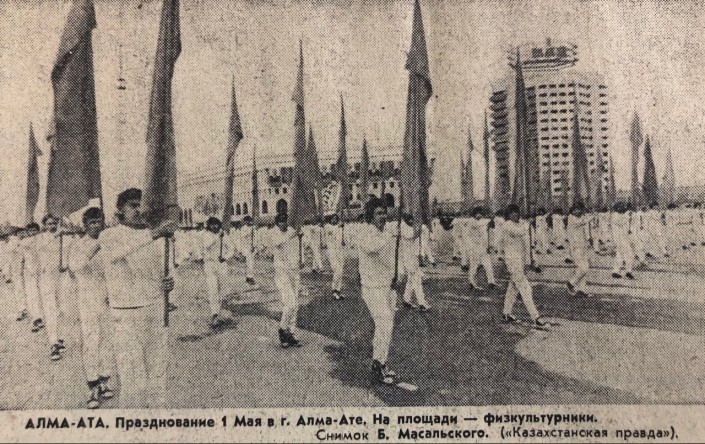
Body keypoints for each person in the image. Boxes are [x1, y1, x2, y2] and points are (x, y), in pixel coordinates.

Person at [100, 188, 176, 408]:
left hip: (154, 309)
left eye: (142, 205)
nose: (139, 210)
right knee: (132, 380)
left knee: (158, 378)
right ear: (120, 210)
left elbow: (166, 271)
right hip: (126, 314)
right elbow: (119, 253)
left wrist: (169, 283)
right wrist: (155, 233)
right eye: (133, 205)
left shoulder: (156, 237)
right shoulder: (109, 236)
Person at [68, 207, 115, 409]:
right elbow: (75, 266)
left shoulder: (109, 243)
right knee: (91, 340)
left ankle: (105, 380)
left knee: (106, 340)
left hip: (106, 298)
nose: (96, 226)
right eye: (92, 223)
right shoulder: (78, 245)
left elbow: (114, 270)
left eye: (99, 222)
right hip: (87, 299)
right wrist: (96, 247)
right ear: (85, 225)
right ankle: (92, 385)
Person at [358, 198, 399, 384]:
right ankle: (379, 363)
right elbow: (372, 247)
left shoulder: (386, 232)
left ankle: (380, 362)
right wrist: (390, 236)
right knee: (384, 323)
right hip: (371, 287)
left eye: (384, 213)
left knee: (386, 327)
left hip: (386, 285)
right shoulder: (365, 232)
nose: (383, 216)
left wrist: (396, 275)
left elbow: (390, 259)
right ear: (370, 216)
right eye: (378, 213)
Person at [500, 204, 546, 328]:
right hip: (512, 261)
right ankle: (536, 317)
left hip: (519, 261)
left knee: (513, 288)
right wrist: (527, 223)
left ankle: (506, 313)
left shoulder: (521, 224)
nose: (515, 214)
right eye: (512, 212)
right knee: (525, 288)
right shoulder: (507, 225)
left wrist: (529, 261)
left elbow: (526, 243)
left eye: (516, 212)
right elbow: (518, 232)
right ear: (508, 215)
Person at [268, 212, 303, 348]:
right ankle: (282, 329)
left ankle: (291, 333)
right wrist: (293, 234)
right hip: (282, 273)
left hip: (293, 270)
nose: (283, 224)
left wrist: (301, 259)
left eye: (285, 221)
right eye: (281, 221)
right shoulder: (273, 232)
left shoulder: (291, 231)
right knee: (289, 303)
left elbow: (297, 246)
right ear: (277, 223)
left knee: (295, 304)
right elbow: (278, 242)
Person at [35, 214, 65, 361]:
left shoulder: (63, 237)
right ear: (44, 225)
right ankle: (53, 343)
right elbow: (41, 248)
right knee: (50, 309)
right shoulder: (40, 238)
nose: (52, 226)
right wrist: (55, 235)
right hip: (47, 277)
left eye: (54, 223)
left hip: (61, 277)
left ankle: (58, 338)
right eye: (49, 224)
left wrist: (65, 264)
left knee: (61, 309)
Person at [197, 217, 234, 328]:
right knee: (212, 288)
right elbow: (207, 245)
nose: (215, 227)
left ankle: (219, 312)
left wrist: (225, 257)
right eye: (212, 225)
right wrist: (218, 237)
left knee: (222, 289)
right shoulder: (205, 235)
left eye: (216, 224)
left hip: (221, 264)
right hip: (209, 264)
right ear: (209, 225)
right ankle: (214, 314)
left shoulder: (223, 235)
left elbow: (231, 248)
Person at [400, 213, 430, 311]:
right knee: (417, 281)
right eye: (409, 220)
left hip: (412, 258)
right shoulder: (404, 227)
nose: (411, 221)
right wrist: (419, 228)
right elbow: (412, 235)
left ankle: (406, 299)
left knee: (411, 280)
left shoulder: (408, 227)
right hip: (409, 259)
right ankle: (422, 303)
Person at [464, 206, 496, 290]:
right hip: (474, 247)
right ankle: (471, 282)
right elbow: (468, 235)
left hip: (483, 247)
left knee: (488, 265)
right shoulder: (471, 222)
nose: (478, 215)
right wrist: (469, 247)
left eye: (480, 213)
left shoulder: (484, 222)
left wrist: (489, 246)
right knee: (473, 266)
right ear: (474, 214)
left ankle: (491, 282)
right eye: (477, 213)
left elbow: (489, 234)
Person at [22, 223, 45, 335]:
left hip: (41, 271)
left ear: (38, 230)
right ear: (27, 232)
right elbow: (30, 245)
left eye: (35, 230)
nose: (33, 232)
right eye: (30, 231)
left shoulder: (41, 240)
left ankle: (41, 317)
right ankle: (36, 319)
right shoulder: (25, 241)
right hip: (30, 272)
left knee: (41, 295)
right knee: (32, 295)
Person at [566, 203, 592, 297]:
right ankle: (571, 283)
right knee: (582, 268)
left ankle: (581, 289)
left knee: (586, 267)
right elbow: (580, 222)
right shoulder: (571, 218)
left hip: (582, 246)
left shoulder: (579, 217)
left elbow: (583, 225)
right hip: (576, 248)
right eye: (578, 209)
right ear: (573, 210)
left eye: (581, 210)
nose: (580, 211)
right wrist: (589, 216)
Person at [324, 214, 346, 300]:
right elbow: (331, 234)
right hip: (332, 251)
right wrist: (338, 227)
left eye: (336, 219)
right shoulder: (327, 226)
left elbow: (343, 240)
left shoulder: (339, 227)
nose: (335, 220)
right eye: (333, 219)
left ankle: (338, 290)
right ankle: (333, 289)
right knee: (337, 270)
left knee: (341, 271)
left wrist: (343, 231)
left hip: (340, 251)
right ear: (330, 220)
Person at [611, 202, 635, 279]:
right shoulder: (615, 215)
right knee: (629, 254)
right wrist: (627, 216)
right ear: (617, 208)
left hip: (623, 238)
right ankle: (628, 271)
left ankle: (616, 271)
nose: (623, 208)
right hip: (619, 239)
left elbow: (624, 225)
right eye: (621, 206)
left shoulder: (620, 215)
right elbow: (621, 223)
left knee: (620, 255)